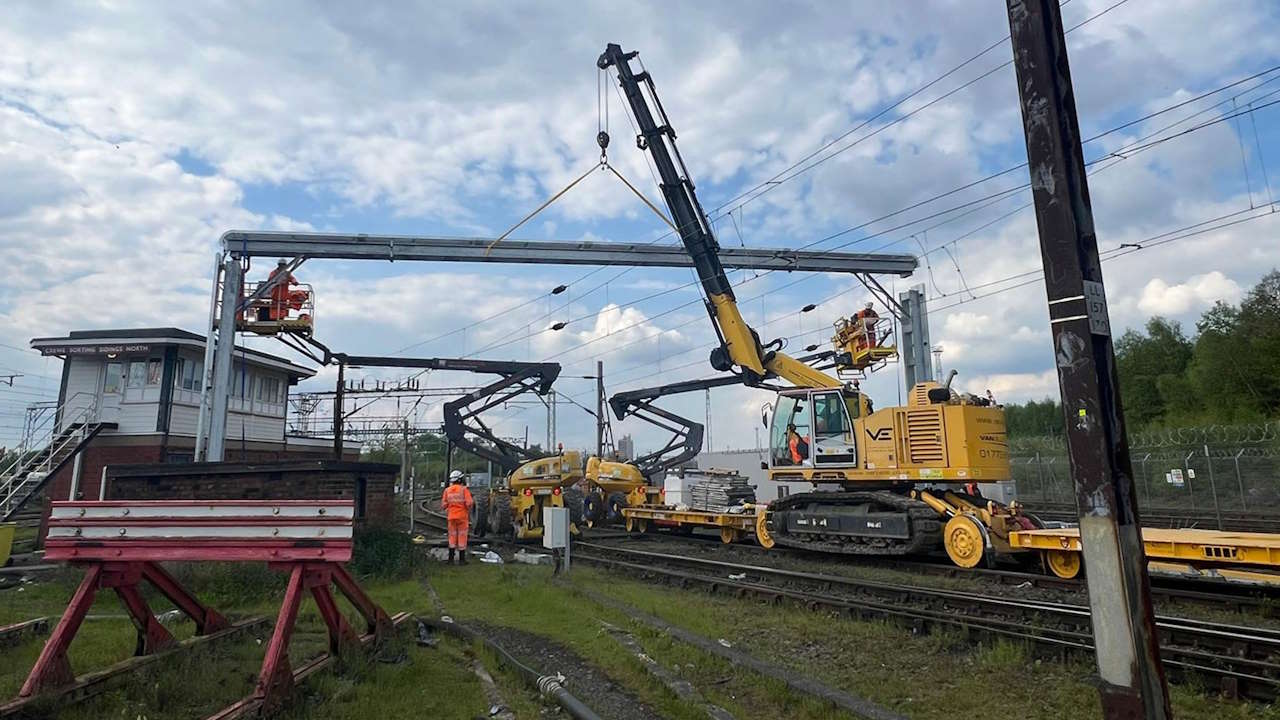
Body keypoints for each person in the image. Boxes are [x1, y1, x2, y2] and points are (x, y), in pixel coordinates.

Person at [441, 470, 475, 564]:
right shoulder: (464, 490)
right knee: (462, 536)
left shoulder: (447, 490)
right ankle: (462, 560)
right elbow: (469, 503)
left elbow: (443, 505)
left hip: (451, 517)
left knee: (452, 537)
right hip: (462, 517)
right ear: (460, 479)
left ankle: (451, 559)